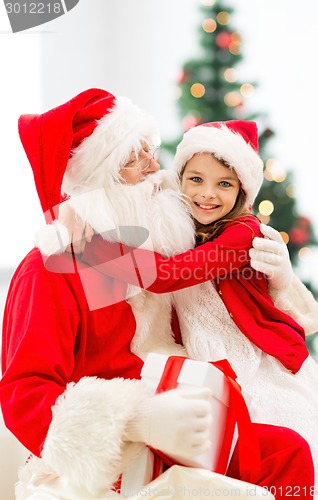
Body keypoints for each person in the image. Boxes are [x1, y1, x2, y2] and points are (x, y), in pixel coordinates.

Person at [0, 90, 315, 499]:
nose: (155, 166)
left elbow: (236, 306)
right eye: (135, 159)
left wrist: (283, 281)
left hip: (184, 426)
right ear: (100, 178)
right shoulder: (52, 268)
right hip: (109, 453)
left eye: (151, 150)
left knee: (288, 452)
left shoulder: (163, 241)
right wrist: (137, 420)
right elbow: (25, 394)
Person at [80, 119, 318, 489]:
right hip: (208, 359)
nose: (207, 194)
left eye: (224, 184)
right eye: (196, 180)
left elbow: (173, 274)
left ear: (242, 191)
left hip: (258, 360)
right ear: (180, 180)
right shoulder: (182, 221)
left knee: (274, 456)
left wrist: (106, 253)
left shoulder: (243, 232)